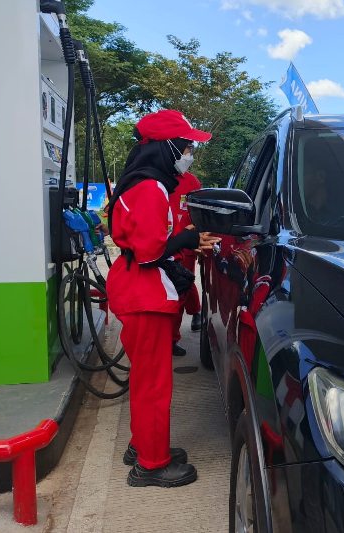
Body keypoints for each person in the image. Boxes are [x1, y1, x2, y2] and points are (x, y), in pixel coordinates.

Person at [106, 109, 220, 488]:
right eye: (186, 146)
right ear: (167, 147)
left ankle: (142, 446)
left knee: (144, 379)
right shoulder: (151, 188)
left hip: (137, 289)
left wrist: (185, 240)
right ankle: (152, 465)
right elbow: (150, 252)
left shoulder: (142, 183)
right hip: (145, 294)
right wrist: (187, 238)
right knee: (153, 384)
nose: (189, 153)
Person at [169, 166, 203, 357]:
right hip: (160, 246)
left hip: (186, 247)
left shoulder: (192, 182)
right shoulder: (154, 181)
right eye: (186, 151)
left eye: (189, 151)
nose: (187, 155)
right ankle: (196, 310)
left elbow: (200, 215)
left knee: (182, 287)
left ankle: (172, 339)